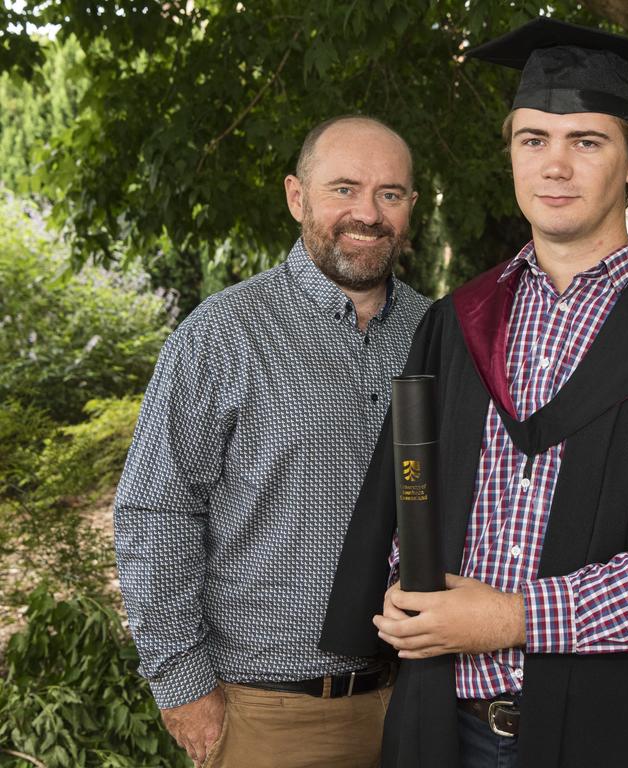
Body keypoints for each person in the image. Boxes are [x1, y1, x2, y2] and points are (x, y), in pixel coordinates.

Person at [320, 18, 628, 768]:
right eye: (533, 140)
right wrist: (405, 592)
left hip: (625, 730)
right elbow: (405, 504)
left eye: (588, 142)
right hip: (447, 727)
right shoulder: (458, 323)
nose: (556, 166)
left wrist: (512, 618)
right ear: (510, 154)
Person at [114, 115, 433, 768]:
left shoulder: (438, 333)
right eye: (343, 189)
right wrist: (182, 684)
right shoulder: (222, 335)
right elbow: (155, 509)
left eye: (389, 194)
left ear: (411, 208)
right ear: (296, 196)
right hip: (271, 714)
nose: (367, 214)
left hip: (419, 704)